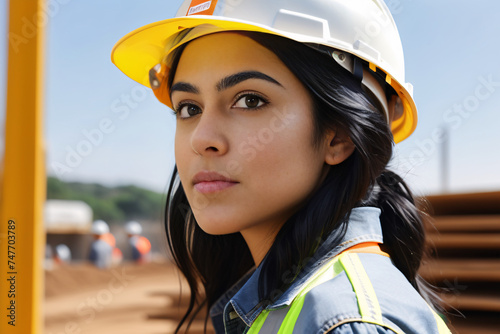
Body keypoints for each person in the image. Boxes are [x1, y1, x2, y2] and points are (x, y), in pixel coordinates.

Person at [111, 1, 452, 333]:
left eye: (250, 101)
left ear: (339, 137)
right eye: (188, 108)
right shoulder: (288, 301)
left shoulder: (345, 322)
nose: (201, 139)